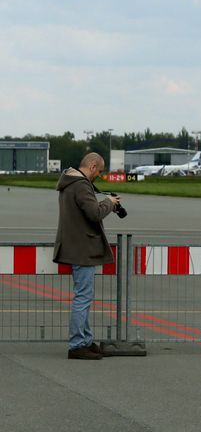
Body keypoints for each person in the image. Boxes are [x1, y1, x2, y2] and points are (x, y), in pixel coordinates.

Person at [54, 152, 120, 360]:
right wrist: (109, 202)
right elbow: (94, 214)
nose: (98, 176)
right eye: (99, 172)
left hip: (75, 245)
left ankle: (85, 340)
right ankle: (76, 345)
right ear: (92, 166)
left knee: (84, 296)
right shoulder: (81, 185)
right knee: (83, 297)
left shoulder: (70, 182)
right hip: (83, 247)